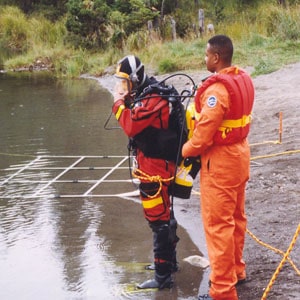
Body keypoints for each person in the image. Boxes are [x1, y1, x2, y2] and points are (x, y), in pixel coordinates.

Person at [182, 35, 255, 300]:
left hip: (221, 163)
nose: (205, 59)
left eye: (206, 55)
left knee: (218, 225)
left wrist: (184, 151)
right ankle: (236, 270)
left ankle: (223, 289)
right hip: (240, 156)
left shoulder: (216, 91)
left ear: (216, 57)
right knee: (236, 218)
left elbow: (202, 138)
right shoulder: (242, 79)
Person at [112, 55, 182, 289]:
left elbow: (130, 125)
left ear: (136, 79)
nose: (123, 88)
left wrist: (117, 104)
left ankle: (163, 279)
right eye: (121, 84)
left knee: (158, 220)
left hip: (156, 169)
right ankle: (168, 264)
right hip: (156, 164)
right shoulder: (148, 94)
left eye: (126, 83)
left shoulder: (152, 99)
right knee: (165, 215)